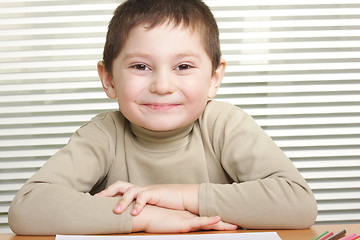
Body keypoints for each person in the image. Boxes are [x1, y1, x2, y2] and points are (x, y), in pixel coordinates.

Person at [8, 0, 318, 235]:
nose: (162, 86)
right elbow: (28, 209)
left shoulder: (225, 124)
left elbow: (298, 205)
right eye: (140, 66)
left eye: (183, 66)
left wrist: (180, 197)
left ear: (214, 78)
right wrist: (146, 216)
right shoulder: (104, 133)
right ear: (109, 79)